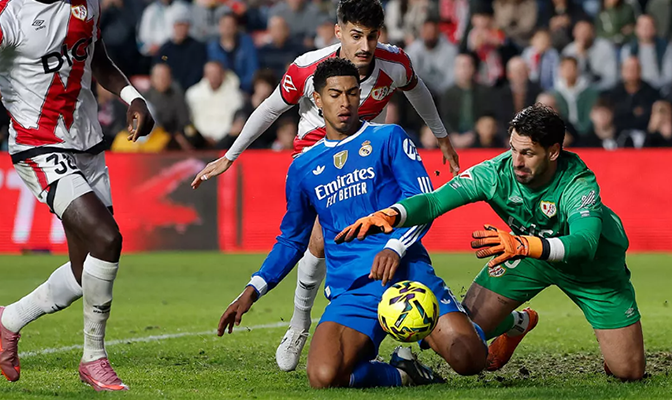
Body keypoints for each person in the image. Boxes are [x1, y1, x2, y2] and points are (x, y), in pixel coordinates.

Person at [191, 0, 460, 372]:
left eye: (371, 37)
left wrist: (441, 135)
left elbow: (418, 91)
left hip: (368, 153)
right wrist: (230, 155)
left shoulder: (395, 64)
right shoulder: (307, 68)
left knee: (386, 228)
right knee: (318, 237)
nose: (364, 46)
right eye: (355, 36)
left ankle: (397, 336)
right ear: (338, 32)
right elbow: (270, 108)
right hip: (315, 151)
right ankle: (299, 323)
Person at [217, 58, 487, 388]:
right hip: (353, 289)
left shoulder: (388, 137)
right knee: (323, 376)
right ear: (317, 99)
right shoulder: (303, 167)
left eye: (352, 93)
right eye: (335, 95)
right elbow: (292, 240)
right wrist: (253, 290)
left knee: (469, 359)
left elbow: (422, 201)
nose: (345, 103)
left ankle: (474, 323)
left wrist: (395, 247)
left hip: (406, 274)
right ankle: (403, 374)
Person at [337, 104, 646, 380]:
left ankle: (616, 352)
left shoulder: (577, 183)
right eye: (513, 149)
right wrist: (393, 214)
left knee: (628, 371)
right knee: (463, 335)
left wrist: (523, 245)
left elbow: (584, 244)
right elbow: (434, 202)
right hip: (528, 256)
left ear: (553, 152)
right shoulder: (496, 173)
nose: (516, 161)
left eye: (528, 153)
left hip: (592, 271)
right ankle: (517, 324)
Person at [0, 0, 155, 391]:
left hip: (87, 144)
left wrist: (133, 97)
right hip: (38, 147)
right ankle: (94, 358)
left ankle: (7, 320)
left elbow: (97, 59)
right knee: (107, 239)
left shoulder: (87, 4)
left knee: (84, 272)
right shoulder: (6, 18)